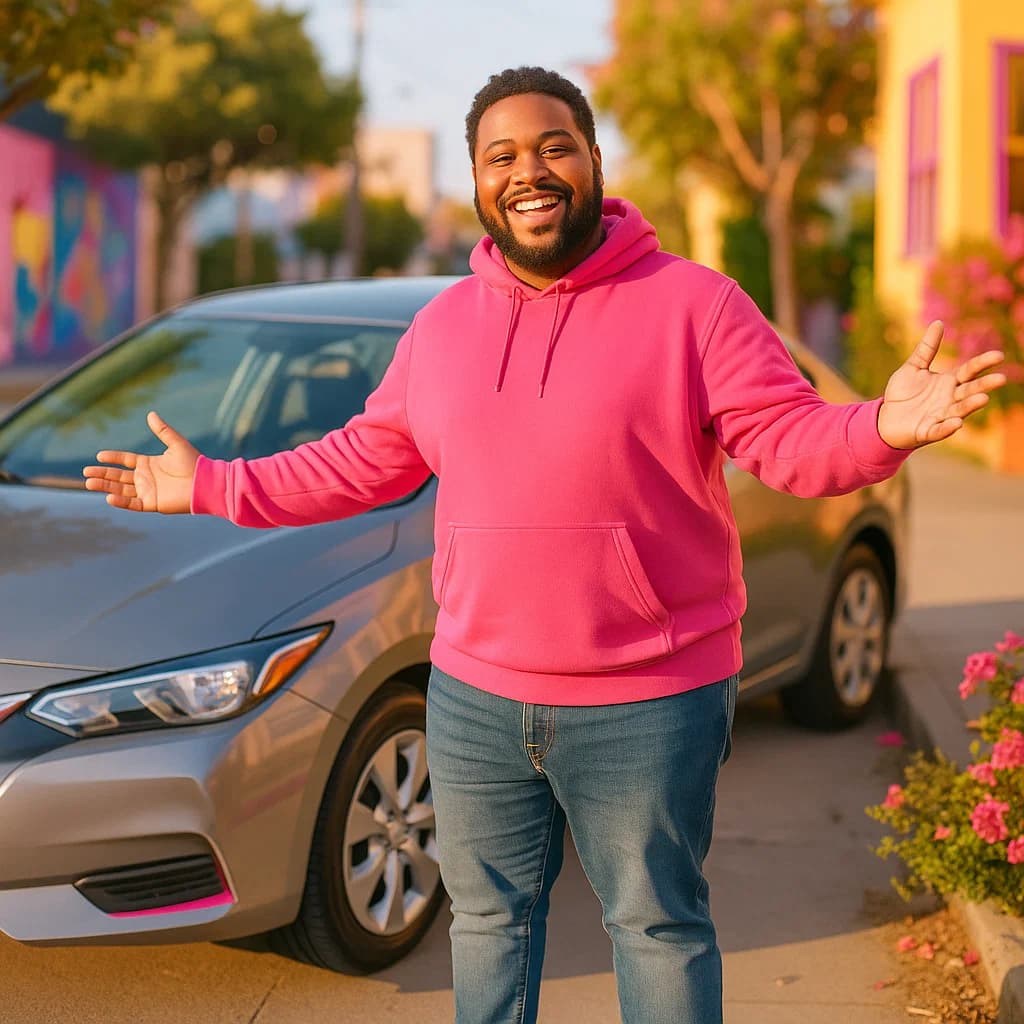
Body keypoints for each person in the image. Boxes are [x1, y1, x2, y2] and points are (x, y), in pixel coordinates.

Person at [83, 67, 1006, 1024]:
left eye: (554, 146)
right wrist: (210, 485)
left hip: (649, 698)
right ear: (479, 186)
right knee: (486, 927)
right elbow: (362, 459)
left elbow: (790, 441)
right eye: (502, 156)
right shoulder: (442, 329)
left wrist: (883, 429)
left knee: (657, 927)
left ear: (595, 161)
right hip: (475, 698)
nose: (531, 171)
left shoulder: (696, 305)